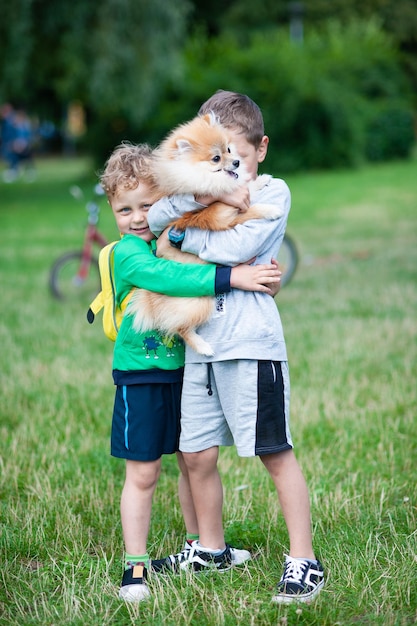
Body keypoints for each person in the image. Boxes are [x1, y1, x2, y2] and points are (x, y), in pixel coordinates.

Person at [148, 91, 324, 604]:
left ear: (260, 149)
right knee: (195, 453)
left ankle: (304, 560)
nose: (227, 171)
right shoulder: (199, 191)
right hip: (202, 348)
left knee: (274, 451)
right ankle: (211, 549)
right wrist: (196, 206)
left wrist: (183, 244)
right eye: (217, 159)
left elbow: (235, 247)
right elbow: (156, 216)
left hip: (250, 345)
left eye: (238, 159)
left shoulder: (273, 190)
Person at [98, 142, 282, 602]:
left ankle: (204, 547)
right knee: (142, 473)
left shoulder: (170, 237)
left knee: (193, 461)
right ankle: (135, 565)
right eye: (125, 209)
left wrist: (257, 269)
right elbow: (167, 280)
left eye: (147, 205)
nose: (138, 218)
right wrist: (230, 277)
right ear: (112, 212)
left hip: (185, 370)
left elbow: (206, 248)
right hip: (141, 377)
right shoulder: (126, 254)